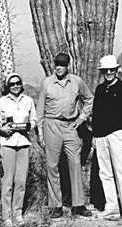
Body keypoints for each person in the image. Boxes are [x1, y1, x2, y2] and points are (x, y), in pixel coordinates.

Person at [37, 52, 94, 218]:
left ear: (68, 65)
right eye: (57, 64)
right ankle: (55, 205)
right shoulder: (47, 83)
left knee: (75, 163)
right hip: (51, 125)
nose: (59, 67)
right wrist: (40, 132)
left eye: (62, 64)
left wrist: (82, 117)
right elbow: (40, 110)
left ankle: (78, 205)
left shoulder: (77, 81)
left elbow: (89, 98)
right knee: (52, 165)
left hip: (71, 126)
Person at [92, 55, 122, 221]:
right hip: (101, 136)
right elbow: (96, 113)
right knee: (105, 173)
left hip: (118, 135)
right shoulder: (99, 89)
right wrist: (94, 135)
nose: (109, 73)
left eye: (112, 70)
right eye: (106, 70)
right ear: (102, 72)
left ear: (117, 70)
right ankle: (111, 207)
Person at [0, 72, 37, 227]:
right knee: (8, 180)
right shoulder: (1, 102)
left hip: (23, 143)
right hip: (7, 143)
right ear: (7, 86)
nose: (16, 86)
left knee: (21, 181)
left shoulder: (28, 101)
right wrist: (2, 129)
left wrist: (28, 126)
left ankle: (18, 213)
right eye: (12, 84)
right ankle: (6, 215)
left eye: (18, 83)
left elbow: (34, 120)